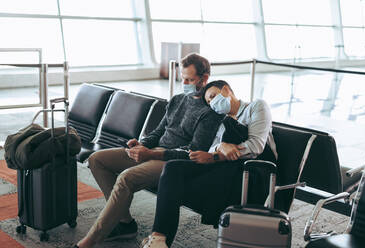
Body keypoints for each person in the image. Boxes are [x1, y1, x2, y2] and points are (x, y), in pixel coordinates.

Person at [75, 54, 224, 248]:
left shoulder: (210, 112)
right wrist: (142, 144)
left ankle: (90, 240)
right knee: (97, 160)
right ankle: (125, 223)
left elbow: (193, 152)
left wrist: (152, 153)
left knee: (126, 178)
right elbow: (159, 131)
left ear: (204, 79)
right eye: (182, 78)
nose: (184, 83)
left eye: (190, 79)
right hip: (153, 151)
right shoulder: (178, 100)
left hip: (171, 162)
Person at [140, 80, 278, 248]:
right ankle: (159, 239)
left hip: (252, 171)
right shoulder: (220, 119)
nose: (212, 103)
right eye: (209, 102)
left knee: (178, 183)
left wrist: (215, 156)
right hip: (222, 167)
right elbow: (212, 146)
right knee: (172, 167)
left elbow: (256, 146)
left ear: (226, 90)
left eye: (213, 97)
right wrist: (221, 147)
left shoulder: (256, 107)